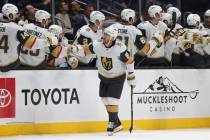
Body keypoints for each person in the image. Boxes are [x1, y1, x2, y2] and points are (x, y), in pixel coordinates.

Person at [70, 25, 136, 136]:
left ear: (113, 37)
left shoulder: (120, 48)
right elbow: (86, 50)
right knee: (104, 99)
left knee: (112, 100)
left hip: (117, 76)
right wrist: (76, 48)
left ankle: (111, 123)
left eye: (107, 35)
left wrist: (131, 75)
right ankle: (117, 123)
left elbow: (129, 61)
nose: (104, 36)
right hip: (103, 76)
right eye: (104, 34)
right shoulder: (97, 45)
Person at [0, 3, 51, 72]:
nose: (17, 16)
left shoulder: (24, 26)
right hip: (11, 64)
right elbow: (31, 43)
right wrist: (48, 41)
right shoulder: (17, 28)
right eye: (15, 14)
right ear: (10, 15)